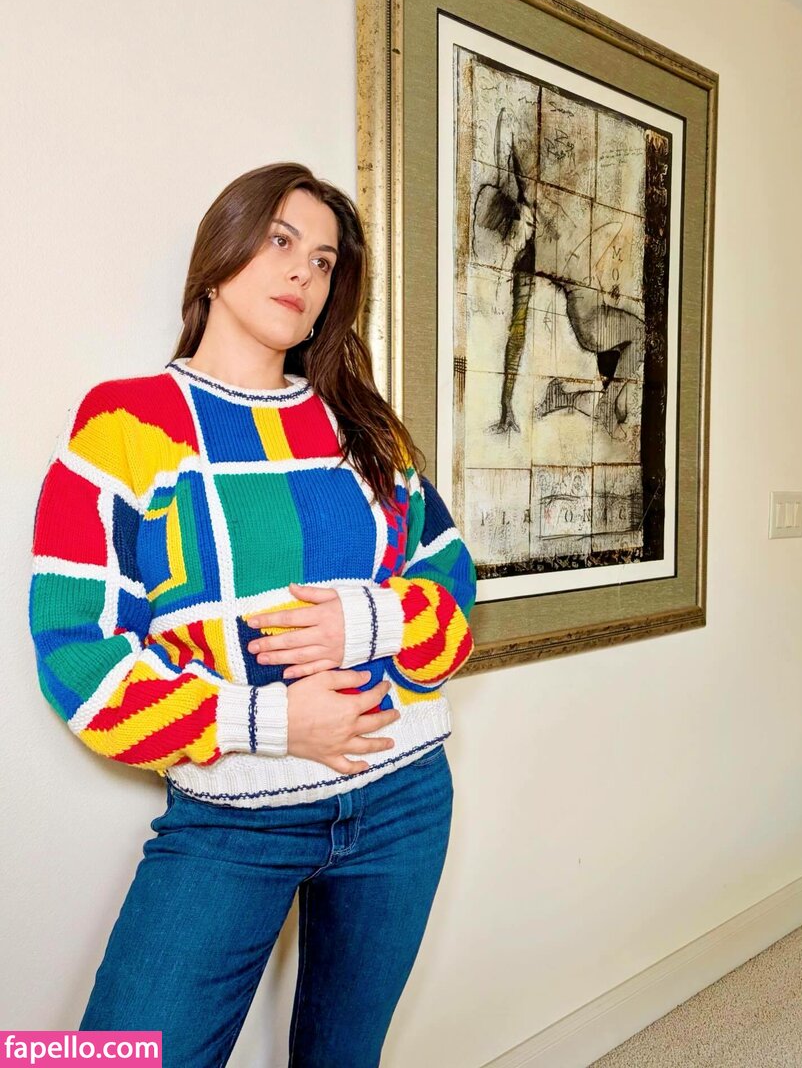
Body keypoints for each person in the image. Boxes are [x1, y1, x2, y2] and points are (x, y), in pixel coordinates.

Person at [27, 162, 477, 1067]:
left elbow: (453, 595)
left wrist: (369, 620)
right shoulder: (128, 423)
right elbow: (77, 654)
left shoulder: (366, 429)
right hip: (236, 816)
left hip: (403, 795)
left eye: (323, 261)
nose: (302, 272)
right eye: (279, 240)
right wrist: (269, 721)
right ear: (220, 253)